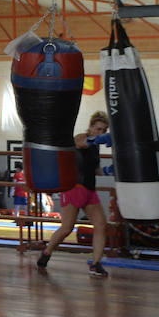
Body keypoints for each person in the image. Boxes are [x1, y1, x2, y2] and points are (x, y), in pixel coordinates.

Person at [37, 111, 111, 277]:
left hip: (90, 190)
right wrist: (101, 138)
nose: (101, 133)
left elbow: (96, 169)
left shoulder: (96, 146)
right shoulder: (81, 137)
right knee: (67, 228)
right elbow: (82, 143)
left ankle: (96, 264)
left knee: (101, 225)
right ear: (91, 127)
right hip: (74, 188)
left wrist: (110, 171)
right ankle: (47, 252)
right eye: (98, 129)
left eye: (104, 130)